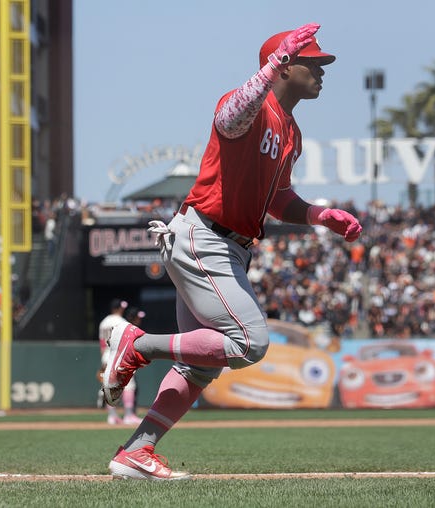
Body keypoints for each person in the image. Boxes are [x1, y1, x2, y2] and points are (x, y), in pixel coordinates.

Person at [101, 23, 361, 480]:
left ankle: (136, 451)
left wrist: (320, 216)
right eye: (313, 62)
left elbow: (278, 199)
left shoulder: (291, 133)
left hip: (226, 246)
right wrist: (271, 66)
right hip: (206, 235)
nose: (322, 70)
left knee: (200, 367)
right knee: (249, 341)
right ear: (284, 65)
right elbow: (228, 119)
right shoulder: (252, 103)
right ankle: (136, 344)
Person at [97, 299, 142, 426]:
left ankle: (112, 416)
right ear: (119, 309)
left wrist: (104, 361)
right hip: (119, 356)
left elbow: (102, 344)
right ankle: (128, 415)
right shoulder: (122, 322)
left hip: (106, 355)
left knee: (110, 386)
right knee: (129, 385)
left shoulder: (103, 322)